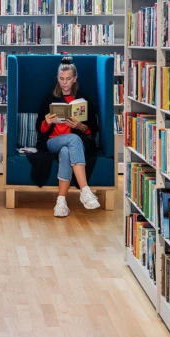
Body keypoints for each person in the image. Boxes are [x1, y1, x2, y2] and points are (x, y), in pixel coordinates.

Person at [36, 57, 101, 217]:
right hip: (52, 142)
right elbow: (40, 129)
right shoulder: (49, 99)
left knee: (67, 151)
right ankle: (85, 190)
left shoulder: (83, 100)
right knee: (73, 140)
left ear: (75, 79)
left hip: (73, 144)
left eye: (68, 79)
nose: (64, 82)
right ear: (57, 79)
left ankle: (61, 203)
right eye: (61, 79)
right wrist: (47, 122)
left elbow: (93, 129)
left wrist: (80, 126)